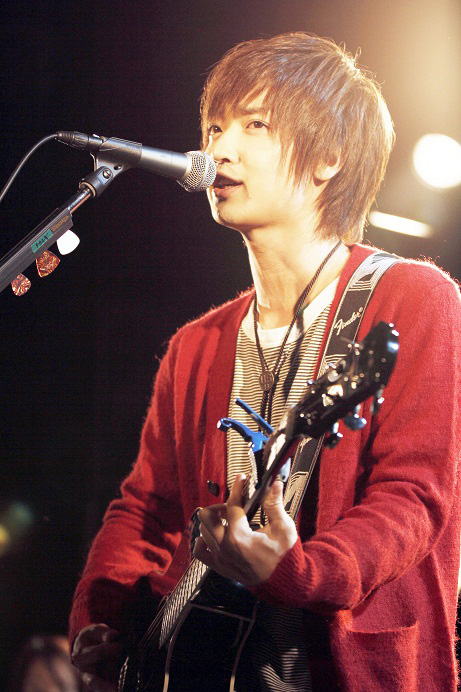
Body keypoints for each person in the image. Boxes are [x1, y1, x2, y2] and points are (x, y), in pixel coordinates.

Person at [69, 32, 461, 691]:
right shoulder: (195, 345)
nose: (218, 149)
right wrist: (101, 614)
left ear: (328, 158)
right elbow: (146, 510)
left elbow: (414, 497)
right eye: (214, 127)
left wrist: (303, 570)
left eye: (254, 125)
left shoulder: (414, 299)